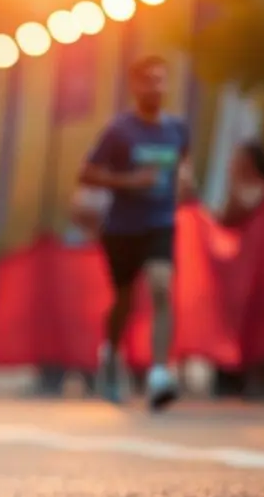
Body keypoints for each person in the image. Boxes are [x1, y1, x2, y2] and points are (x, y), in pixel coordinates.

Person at [78, 55, 197, 411]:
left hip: (160, 221)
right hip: (122, 228)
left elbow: (183, 164)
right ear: (136, 86)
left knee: (162, 286)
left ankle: (160, 372)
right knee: (124, 301)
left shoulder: (177, 128)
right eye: (150, 81)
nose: (157, 88)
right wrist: (128, 180)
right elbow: (87, 174)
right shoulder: (120, 130)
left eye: (162, 80)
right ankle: (111, 355)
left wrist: (187, 179)